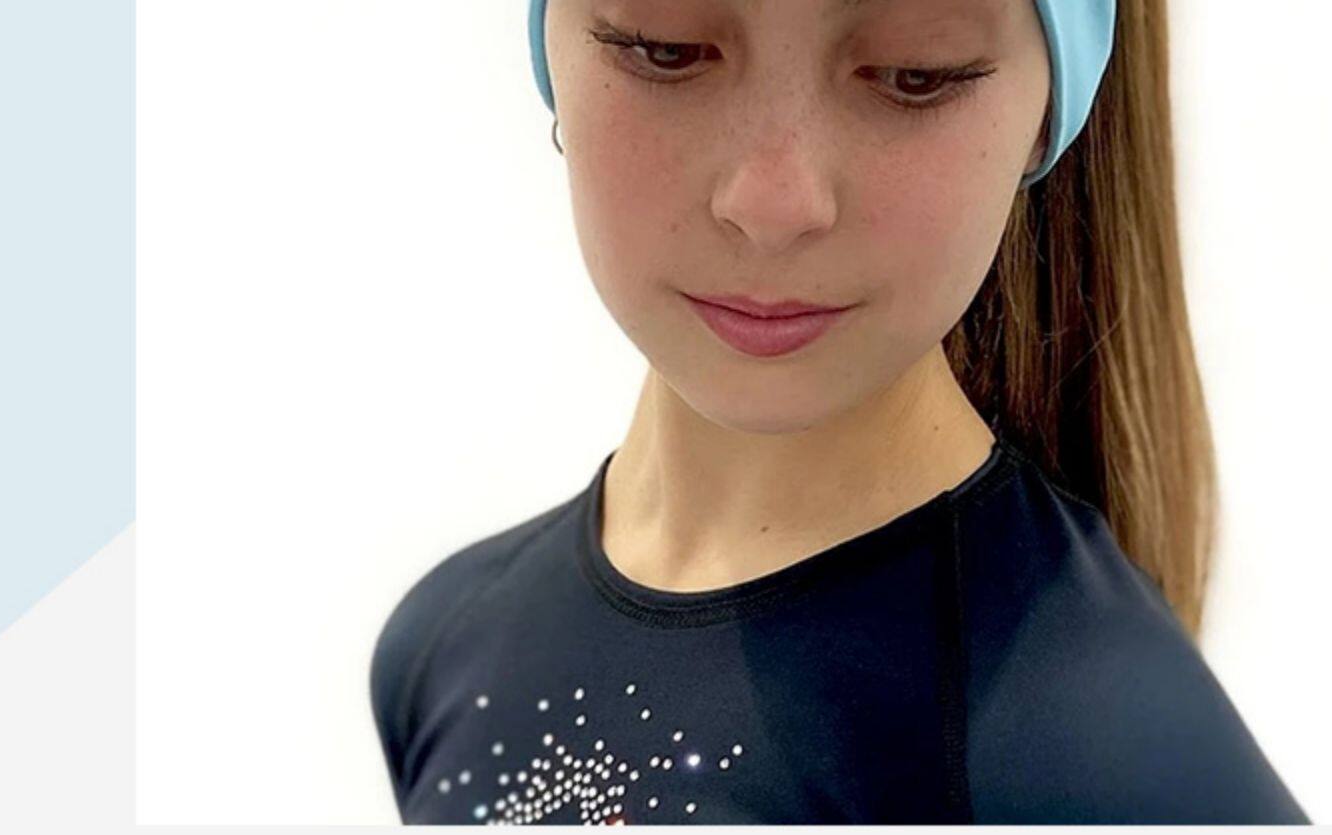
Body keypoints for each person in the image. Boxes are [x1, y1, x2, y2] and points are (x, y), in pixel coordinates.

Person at [368, 0, 1311, 824]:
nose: (773, 202)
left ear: (1050, 113)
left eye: (914, 72)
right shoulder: (445, 647)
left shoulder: (1106, 755)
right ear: (551, 51)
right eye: (665, 46)